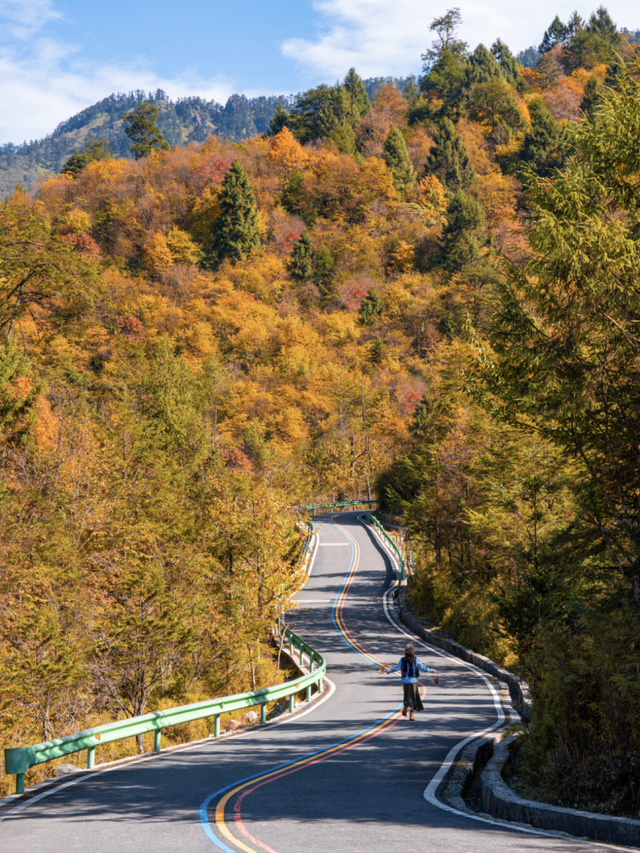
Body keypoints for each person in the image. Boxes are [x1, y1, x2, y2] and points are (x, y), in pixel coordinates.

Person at [387, 644, 438, 721]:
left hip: (404, 681)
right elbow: (422, 667)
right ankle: (411, 714)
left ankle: (405, 706)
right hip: (413, 681)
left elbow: (396, 668)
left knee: (407, 695)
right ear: (412, 651)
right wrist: (431, 670)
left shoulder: (402, 660)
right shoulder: (415, 659)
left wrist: (389, 671)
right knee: (413, 697)